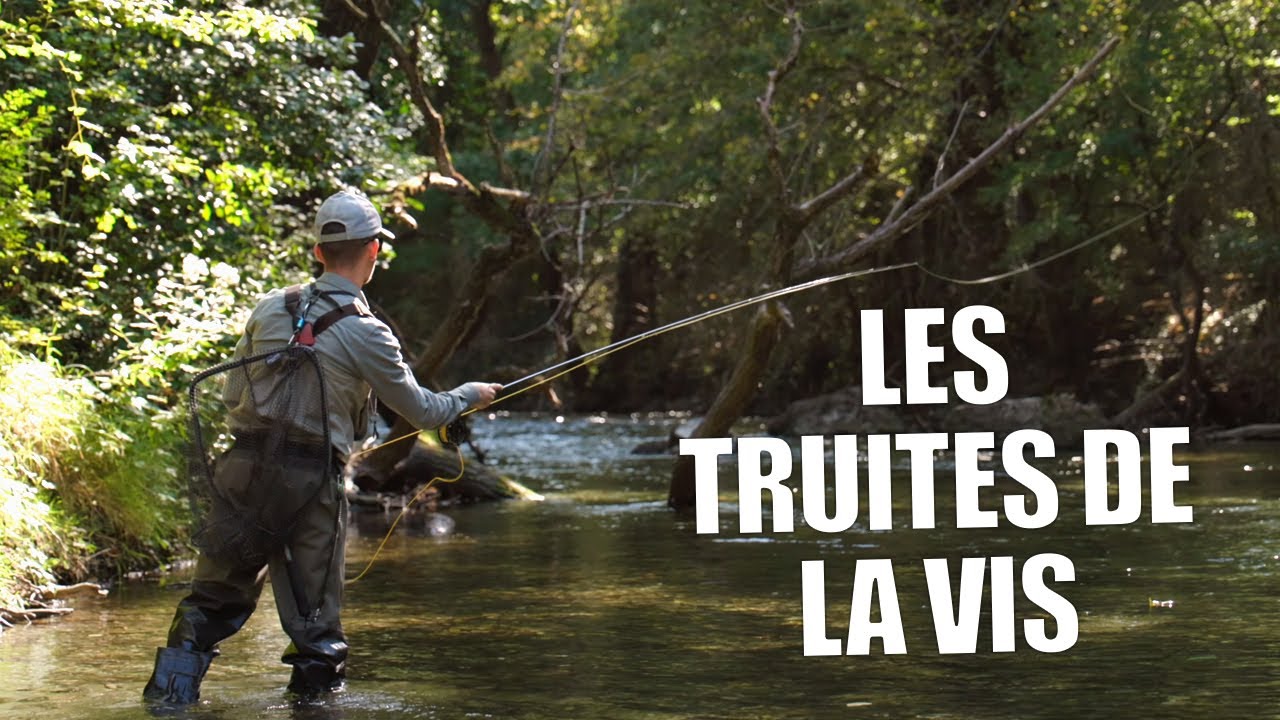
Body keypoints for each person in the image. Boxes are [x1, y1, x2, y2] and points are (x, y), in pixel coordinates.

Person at [143, 189, 501, 704]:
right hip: (311, 483)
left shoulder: (269, 308)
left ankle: (166, 703)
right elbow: (422, 411)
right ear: (374, 251)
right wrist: (471, 396)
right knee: (315, 628)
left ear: (318, 252)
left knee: (211, 599)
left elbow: (231, 394)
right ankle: (314, 711)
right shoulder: (367, 332)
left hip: (241, 470)